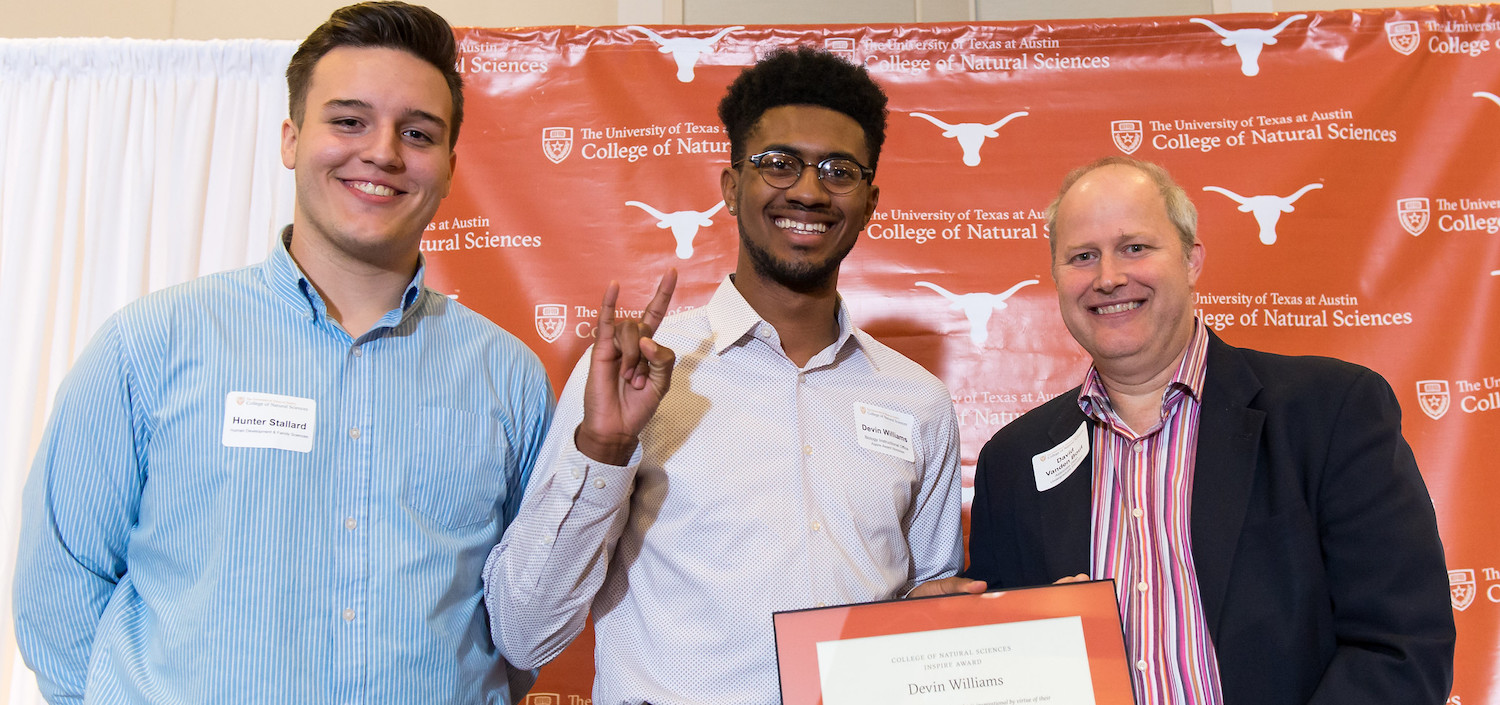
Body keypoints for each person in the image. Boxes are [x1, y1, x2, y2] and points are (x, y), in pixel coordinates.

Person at [13, 3, 555, 703]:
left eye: (417, 132)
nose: (383, 152)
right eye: (349, 120)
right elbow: (59, 589)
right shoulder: (151, 345)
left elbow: (526, 622)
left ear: (449, 166)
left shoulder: (508, 377)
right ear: (291, 138)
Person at [483, 46, 966, 704]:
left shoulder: (920, 402)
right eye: (779, 163)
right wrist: (604, 449)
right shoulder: (639, 376)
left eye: (838, 170)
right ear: (731, 187)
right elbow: (523, 633)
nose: (808, 189)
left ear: (870, 199)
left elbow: (927, 626)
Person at [961, 156, 1455, 705]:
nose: (1108, 277)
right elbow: (1000, 672)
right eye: (1082, 257)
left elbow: (1401, 646)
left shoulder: (1330, 411)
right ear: (1056, 279)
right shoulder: (1012, 462)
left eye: (1135, 247)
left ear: (1192, 260)